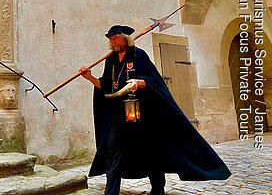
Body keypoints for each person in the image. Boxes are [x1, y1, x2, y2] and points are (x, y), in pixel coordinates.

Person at [79, 25, 231, 195]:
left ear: (125, 38)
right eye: (110, 38)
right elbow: (106, 86)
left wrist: (139, 82)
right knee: (112, 150)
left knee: (150, 150)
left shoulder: (139, 55)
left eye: (116, 37)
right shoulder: (111, 60)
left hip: (143, 114)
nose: (112, 41)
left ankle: (158, 188)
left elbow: (154, 81)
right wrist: (89, 77)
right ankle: (111, 192)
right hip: (119, 115)